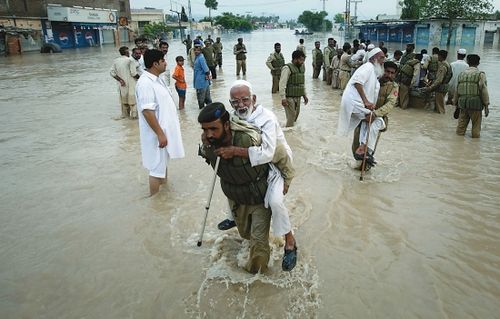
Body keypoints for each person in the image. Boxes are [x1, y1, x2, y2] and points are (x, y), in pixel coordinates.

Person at [197, 103, 273, 274]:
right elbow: (215, 167)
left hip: (260, 197)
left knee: (259, 246)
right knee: (246, 234)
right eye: (205, 129)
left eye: (213, 129)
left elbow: (275, 155)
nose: (209, 134)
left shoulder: (247, 139)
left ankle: (256, 284)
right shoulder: (208, 143)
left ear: (226, 125)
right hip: (236, 199)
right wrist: (208, 148)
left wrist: (238, 151)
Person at [135, 49, 185, 195]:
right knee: (156, 168)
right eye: (163, 61)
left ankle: (164, 197)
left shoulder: (158, 79)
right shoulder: (145, 83)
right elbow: (147, 112)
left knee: (162, 165)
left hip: (163, 132)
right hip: (157, 134)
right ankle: (155, 202)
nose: (165, 63)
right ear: (155, 64)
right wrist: (160, 134)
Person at [337, 48, 386, 164]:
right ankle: (362, 149)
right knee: (378, 121)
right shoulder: (368, 67)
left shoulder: (373, 71)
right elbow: (358, 82)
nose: (383, 61)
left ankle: (362, 149)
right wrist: (366, 102)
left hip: (356, 104)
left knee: (367, 121)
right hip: (354, 103)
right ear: (373, 58)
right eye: (381, 58)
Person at [351, 61, 399, 166]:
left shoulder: (393, 87)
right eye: (387, 71)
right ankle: (356, 167)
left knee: (369, 147)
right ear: (382, 70)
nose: (389, 75)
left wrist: (375, 114)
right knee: (356, 145)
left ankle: (366, 168)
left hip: (376, 119)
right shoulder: (371, 80)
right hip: (362, 118)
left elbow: (390, 104)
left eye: (392, 73)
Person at [454, 54, 490, 138]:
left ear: (467, 62)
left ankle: (457, 144)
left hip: (462, 103)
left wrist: (455, 103)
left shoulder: (461, 74)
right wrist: (486, 105)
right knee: (476, 126)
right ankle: (475, 144)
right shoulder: (480, 74)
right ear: (478, 63)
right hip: (475, 103)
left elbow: (457, 89)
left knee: (461, 127)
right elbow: (484, 90)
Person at [279, 50, 309, 127]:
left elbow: (302, 83)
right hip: (289, 97)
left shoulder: (301, 68)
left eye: (303, 60)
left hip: (298, 96)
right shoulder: (287, 68)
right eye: (301, 60)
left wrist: (304, 95)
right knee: (291, 116)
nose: (302, 62)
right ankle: (288, 134)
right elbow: (282, 84)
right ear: (295, 59)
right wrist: (283, 98)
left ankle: (292, 132)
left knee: (295, 116)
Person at [110, 46, 138, 119]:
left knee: (124, 104)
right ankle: (133, 120)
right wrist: (141, 78)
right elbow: (134, 74)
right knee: (133, 103)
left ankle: (126, 121)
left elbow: (112, 73)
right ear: (127, 52)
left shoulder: (115, 61)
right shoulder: (130, 61)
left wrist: (120, 80)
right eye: (128, 51)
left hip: (122, 86)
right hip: (132, 85)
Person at [424, 50, 452, 114]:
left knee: (440, 108)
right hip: (444, 87)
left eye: (438, 56)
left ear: (440, 56)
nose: (437, 57)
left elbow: (439, 80)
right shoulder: (448, 64)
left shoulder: (443, 66)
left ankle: (440, 120)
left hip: (440, 89)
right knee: (439, 106)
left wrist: (430, 88)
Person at [193, 43, 212, 109]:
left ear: (201, 51)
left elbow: (206, 70)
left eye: (198, 50)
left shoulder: (200, 58)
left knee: (201, 101)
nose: (196, 51)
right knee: (208, 100)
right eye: (195, 50)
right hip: (204, 82)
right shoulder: (198, 57)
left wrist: (208, 77)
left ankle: (202, 114)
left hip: (200, 83)